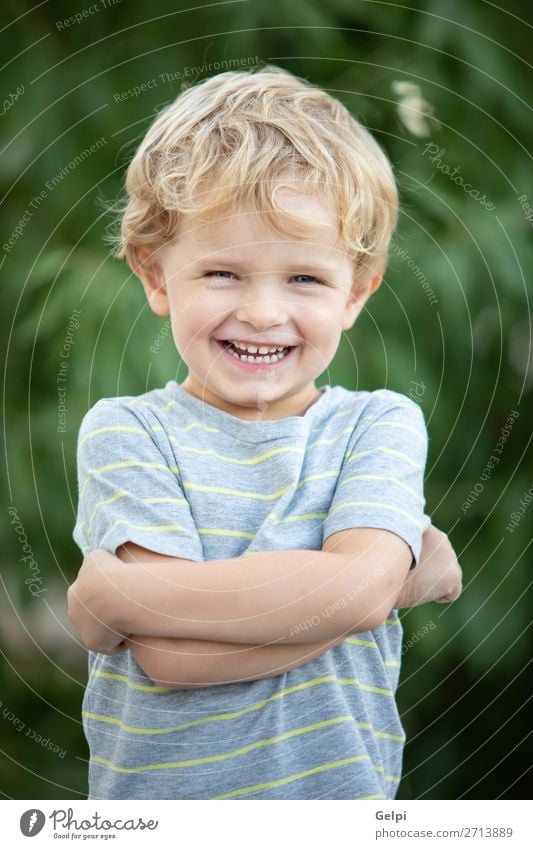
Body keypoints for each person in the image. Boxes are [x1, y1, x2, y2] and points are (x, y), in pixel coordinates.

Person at [68, 64, 462, 801]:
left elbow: (355, 589)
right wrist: (384, 581)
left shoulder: (374, 425)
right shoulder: (128, 432)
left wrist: (121, 595)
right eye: (222, 272)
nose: (260, 312)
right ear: (156, 276)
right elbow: (172, 652)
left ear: (357, 289)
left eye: (304, 279)